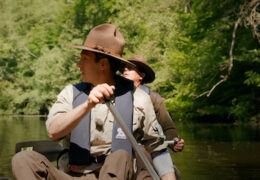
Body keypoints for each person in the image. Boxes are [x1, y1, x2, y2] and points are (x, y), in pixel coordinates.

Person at [12, 24, 167, 180]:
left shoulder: (139, 99)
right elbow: (53, 132)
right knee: (23, 159)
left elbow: (158, 149)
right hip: (73, 175)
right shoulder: (70, 93)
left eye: (84, 59)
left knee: (120, 156)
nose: (78, 65)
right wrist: (87, 106)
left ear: (103, 64)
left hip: (114, 175)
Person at [123, 55, 185, 180]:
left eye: (130, 68)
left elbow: (167, 126)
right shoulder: (117, 95)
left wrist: (175, 141)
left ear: (141, 76)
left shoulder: (155, 98)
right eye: (125, 68)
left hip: (152, 146)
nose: (125, 70)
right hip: (123, 146)